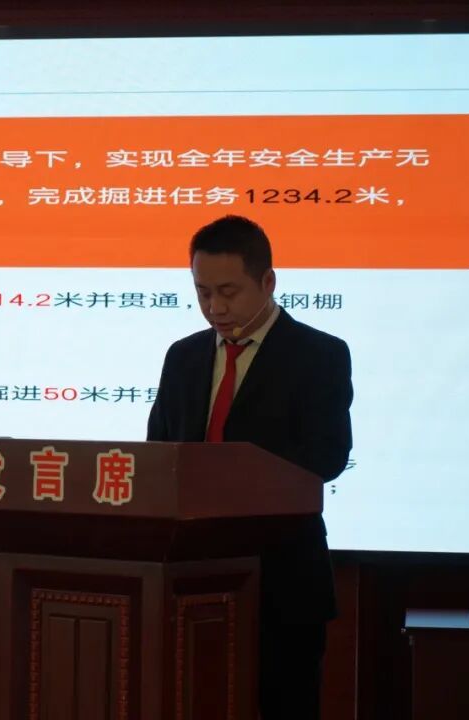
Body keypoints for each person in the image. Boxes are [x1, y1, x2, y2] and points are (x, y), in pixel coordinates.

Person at [147, 214, 353, 719]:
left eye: (228, 292)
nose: (215, 308)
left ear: (268, 281)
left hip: (283, 580)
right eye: (202, 292)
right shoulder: (183, 357)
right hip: (190, 579)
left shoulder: (319, 355)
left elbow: (326, 456)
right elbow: (157, 452)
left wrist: (232, 478)